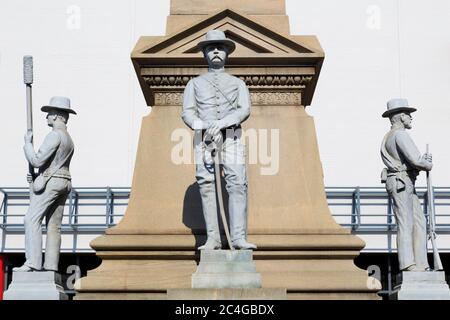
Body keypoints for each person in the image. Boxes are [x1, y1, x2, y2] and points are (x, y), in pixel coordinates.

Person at [182, 29, 256, 250]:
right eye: (211, 48)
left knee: (237, 184)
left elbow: (244, 110)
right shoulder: (193, 84)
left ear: (226, 53)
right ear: (204, 53)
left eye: (220, 48)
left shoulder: (238, 83)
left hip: (231, 135)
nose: (216, 51)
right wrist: (204, 126)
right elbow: (187, 113)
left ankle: (238, 237)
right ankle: (213, 238)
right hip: (204, 138)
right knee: (206, 185)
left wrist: (221, 123)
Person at [14, 96, 76, 272]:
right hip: (65, 182)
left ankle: (32, 262)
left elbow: (37, 160)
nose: (46, 116)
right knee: (54, 226)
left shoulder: (54, 135)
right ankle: (51, 266)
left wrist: (27, 145)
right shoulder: (69, 139)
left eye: (49, 113)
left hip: (52, 182)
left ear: (57, 116)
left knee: (31, 219)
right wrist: (36, 178)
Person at [380, 98, 432, 271]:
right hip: (402, 182)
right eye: (408, 114)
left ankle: (421, 263)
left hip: (406, 182)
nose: (410, 117)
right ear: (401, 116)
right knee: (406, 222)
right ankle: (408, 264)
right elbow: (415, 159)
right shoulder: (399, 135)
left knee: (419, 221)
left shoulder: (390, 136)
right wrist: (426, 163)